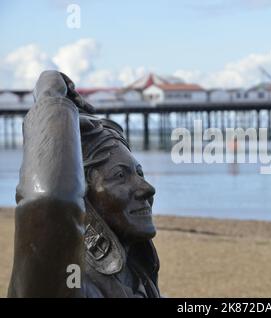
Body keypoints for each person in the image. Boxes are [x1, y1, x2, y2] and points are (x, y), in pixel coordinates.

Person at [8, 70, 160, 297]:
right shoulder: (68, 279)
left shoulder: (137, 275)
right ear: (80, 192)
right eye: (120, 176)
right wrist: (51, 96)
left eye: (140, 173)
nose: (147, 188)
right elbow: (50, 201)